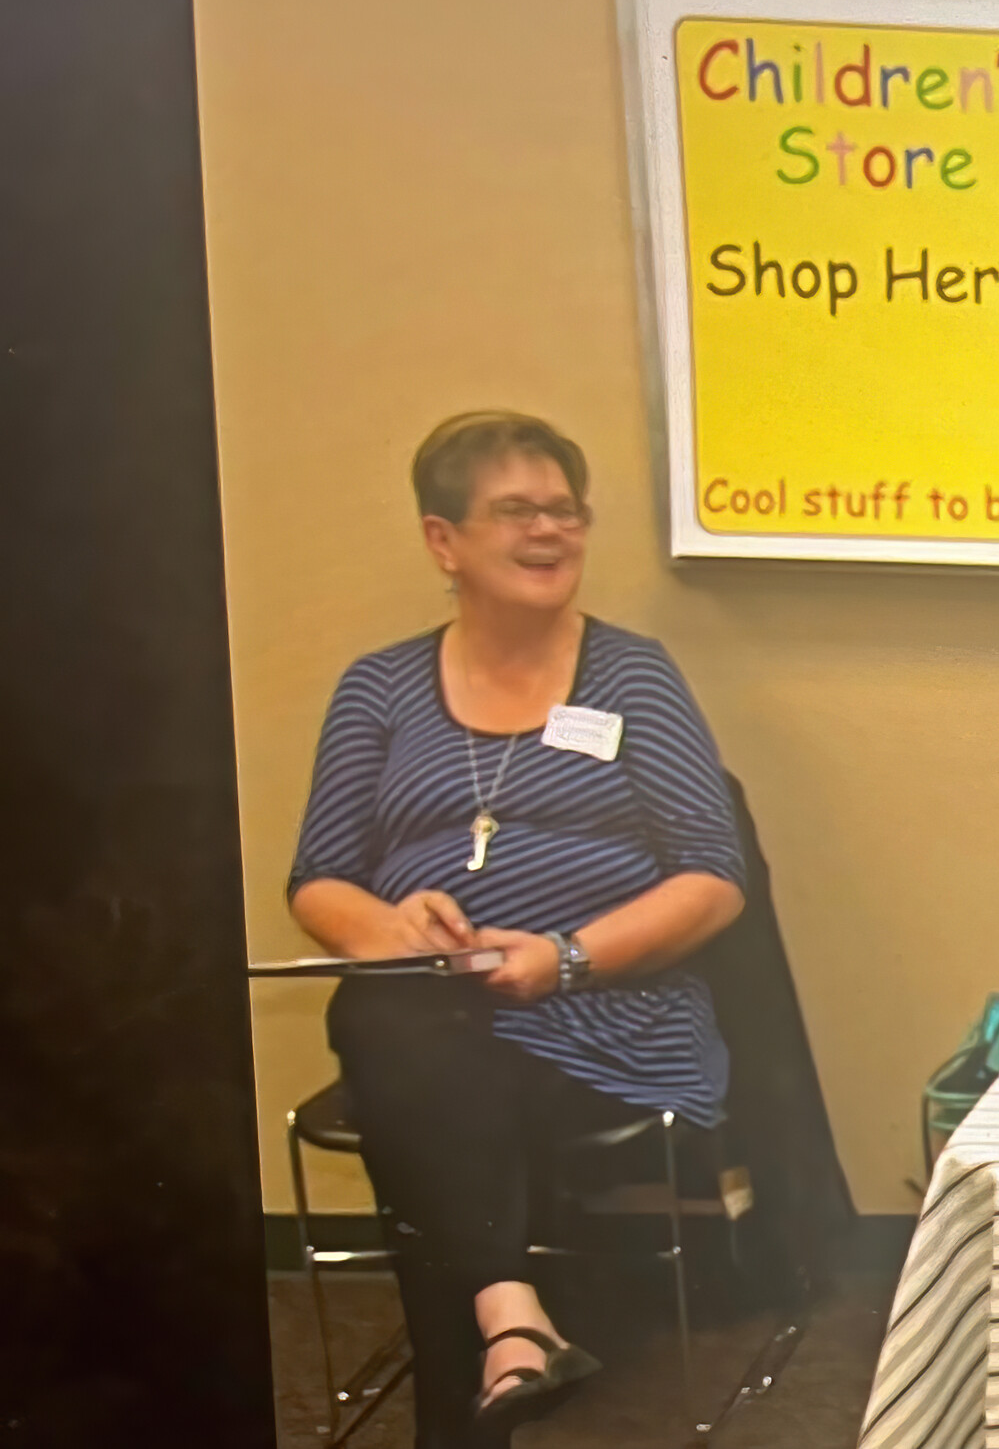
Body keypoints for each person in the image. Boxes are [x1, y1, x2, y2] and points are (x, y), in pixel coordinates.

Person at [287, 411, 745, 1446]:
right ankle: (512, 1321)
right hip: (429, 1010)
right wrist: (395, 929)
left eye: (564, 511)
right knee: (399, 1013)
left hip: (604, 1016)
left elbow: (714, 880)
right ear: (442, 540)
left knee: (413, 1083)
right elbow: (319, 878)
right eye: (516, 511)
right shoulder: (380, 687)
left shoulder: (631, 676)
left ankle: (483, 1369)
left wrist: (562, 958)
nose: (549, 531)